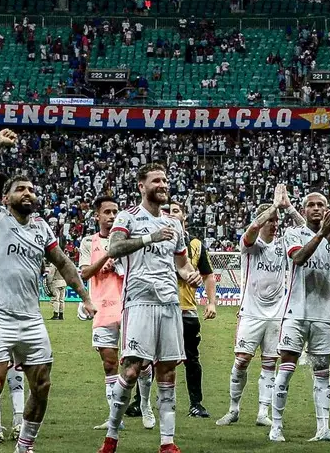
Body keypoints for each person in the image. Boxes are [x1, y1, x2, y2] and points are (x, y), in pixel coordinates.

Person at [0, 129, 95, 453]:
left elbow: (63, 262)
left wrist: (86, 296)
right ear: (6, 198)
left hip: (32, 319)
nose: (28, 193)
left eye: (31, 190)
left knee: (42, 385)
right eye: (20, 189)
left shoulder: (41, 227)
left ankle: (25, 446)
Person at [98, 163, 204, 453]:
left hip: (169, 304)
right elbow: (114, 249)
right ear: (141, 186)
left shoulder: (174, 225)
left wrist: (190, 273)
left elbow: (181, 264)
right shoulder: (128, 216)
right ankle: (111, 438)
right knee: (131, 371)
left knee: (167, 373)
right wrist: (149, 238)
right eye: (156, 180)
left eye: (165, 180)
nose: (163, 184)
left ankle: (167, 443)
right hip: (140, 301)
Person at [268, 191, 330, 443]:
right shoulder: (293, 234)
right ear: (303, 210)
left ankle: (323, 429)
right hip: (296, 314)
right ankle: (276, 427)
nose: (316, 208)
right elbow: (299, 257)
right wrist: (320, 235)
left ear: (327, 209)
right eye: (311, 205)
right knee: (285, 370)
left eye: (321, 205)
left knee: (322, 372)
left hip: (324, 317)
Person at [216, 185, 299, 428]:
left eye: (276, 221)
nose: (274, 224)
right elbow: (252, 229)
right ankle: (233, 409)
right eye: (271, 220)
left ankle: (263, 412)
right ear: (262, 222)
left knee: (269, 363)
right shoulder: (250, 246)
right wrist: (273, 206)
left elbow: (307, 231)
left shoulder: (283, 246)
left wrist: (288, 208)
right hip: (251, 313)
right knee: (241, 360)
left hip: (276, 314)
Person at [79, 196, 126, 430]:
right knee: (109, 364)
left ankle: (145, 406)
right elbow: (85, 273)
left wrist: (118, 265)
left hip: (128, 308)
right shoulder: (89, 242)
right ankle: (114, 417)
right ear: (97, 216)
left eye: (115, 211)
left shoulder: (128, 240)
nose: (111, 216)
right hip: (103, 310)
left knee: (140, 364)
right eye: (107, 212)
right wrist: (106, 258)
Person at [166, 202, 216, 419]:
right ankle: (141, 403)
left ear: (184, 216)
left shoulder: (195, 244)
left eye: (175, 210)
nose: (170, 214)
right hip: (161, 308)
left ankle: (196, 404)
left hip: (187, 310)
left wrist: (211, 302)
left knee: (191, 358)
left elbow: (208, 274)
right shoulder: (157, 241)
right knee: (149, 358)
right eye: (166, 211)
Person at [47, 255, 68, 320]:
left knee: (56, 299)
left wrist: (49, 283)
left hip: (56, 282)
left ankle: (56, 314)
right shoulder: (64, 263)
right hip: (63, 282)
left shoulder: (54, 264)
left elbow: (50, 275)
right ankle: (61, 315)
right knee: (62, 300)